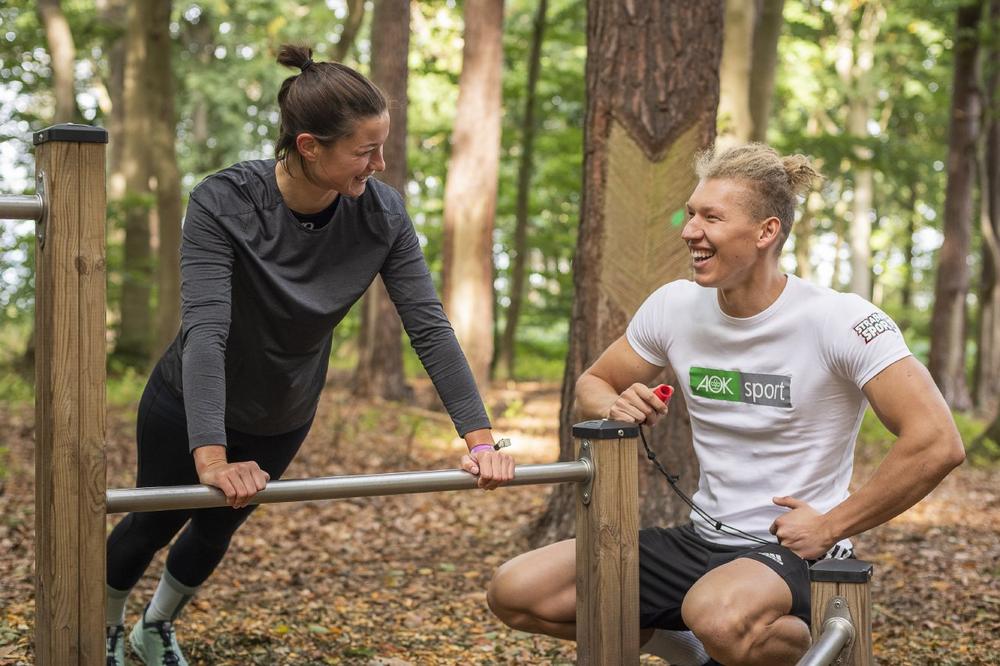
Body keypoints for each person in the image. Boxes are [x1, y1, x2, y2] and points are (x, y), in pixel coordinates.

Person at [104, 44, 515, 666]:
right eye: (364, 150)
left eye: (382, 147)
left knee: (219, 525)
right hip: (190, 400)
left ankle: (155, 626)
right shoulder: (223, 202)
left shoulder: (381, 214)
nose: (379, 164)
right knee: (153, 520)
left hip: (284, 408)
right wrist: (211, 457)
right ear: (308, 145)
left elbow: (427, 326)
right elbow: (207, 329)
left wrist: (479, 440)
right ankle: (103, 627)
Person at [485, 143, 965, 666]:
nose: (690, 230)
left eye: (711, 217)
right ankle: (695, 652)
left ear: (766, 232)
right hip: (702, 540)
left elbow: (936, 442)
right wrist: (616, 403)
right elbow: (594, 382)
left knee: (714, 612)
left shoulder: (841, 320)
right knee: (518, 591)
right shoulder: (674, 306)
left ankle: (824, 644)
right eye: (691, 214)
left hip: (795, 550)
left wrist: (832, 526)